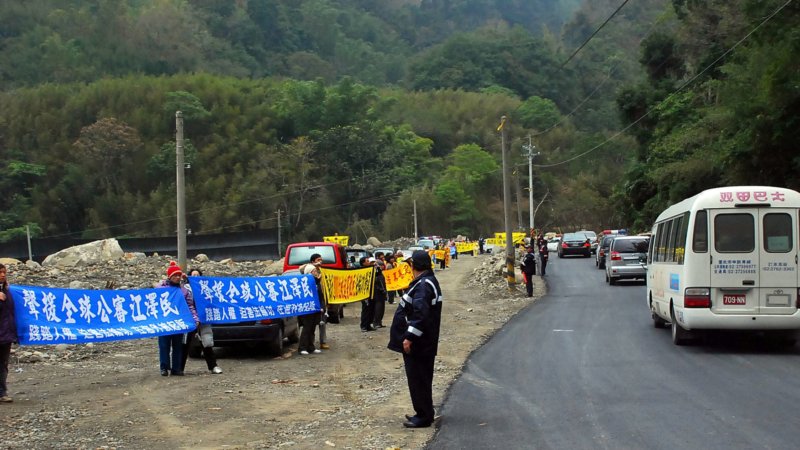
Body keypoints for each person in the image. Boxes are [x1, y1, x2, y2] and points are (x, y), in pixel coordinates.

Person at [388, 250, 442, 428]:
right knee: (420, 379)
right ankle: (423, 411)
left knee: (419, 378)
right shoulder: (425, 282)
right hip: (422, 342)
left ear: (415, 265)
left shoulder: (424, 285)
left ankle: (424, 416)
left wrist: (409, 337)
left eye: (410, 264)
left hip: (420, 344)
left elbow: (420, 315)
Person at [156, 261, 199, 376]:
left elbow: (190, 305)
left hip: (179, 322)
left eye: (178, 275)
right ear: (169, 276)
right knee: (164, 345)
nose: (177, 277)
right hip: (165, 322)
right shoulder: (162, 288)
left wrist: (195, 319)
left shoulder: (184, 290)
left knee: (178, 346)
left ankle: (176, 368)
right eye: (174, 275)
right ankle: (164, 368)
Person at [183, 269, 223, 374]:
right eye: (193, 275)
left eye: (197, 275)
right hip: (190, 319)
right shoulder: (185, 289)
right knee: (185, 343)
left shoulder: (205, 288)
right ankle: (179, 368)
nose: (195, 276)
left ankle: (213, 366)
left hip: (204, 319)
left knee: (207, 342)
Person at [298, 255, 323, 355]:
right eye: (313, 271)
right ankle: (302, 348)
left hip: (316, 307)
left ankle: (311, 347)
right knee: (307, 327)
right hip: (307, 308)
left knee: (312, 327)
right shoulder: (305, 284)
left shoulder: (317, 282)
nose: (316, 273)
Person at [0, 264, 17, 403]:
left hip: (5, 335)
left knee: (3, 364)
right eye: (0, 272)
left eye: (4, 272)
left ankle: (2, 392)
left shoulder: (7, 290)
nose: (3, 275)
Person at [359, 257, 377, 332]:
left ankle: (368, 325)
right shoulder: (361, 270)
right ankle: (363, 326)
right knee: (366, 309)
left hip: (372, 292)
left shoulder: (372, 268)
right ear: (363, 263)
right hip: (364, 293)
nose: (369, 262)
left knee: (372, 309)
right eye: (367, 261)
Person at [372, 252, 388, 329]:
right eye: (381, 265)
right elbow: (377, 284)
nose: (382, 266)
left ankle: (379, 322)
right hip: (378, 294)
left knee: (381, 309)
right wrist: (381, 290)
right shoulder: (376, 274)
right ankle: (376, 322)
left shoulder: (380, 273)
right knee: (378, 309)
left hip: (381, 293)